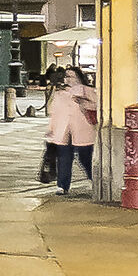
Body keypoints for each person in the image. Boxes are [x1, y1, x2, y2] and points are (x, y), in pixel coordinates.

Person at [45, 63, 98, 194]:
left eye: (71, 76)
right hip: (63, 131)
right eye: (66, 76)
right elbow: (55, 113)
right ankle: (62, 185)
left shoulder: (88, 91)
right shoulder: (60, 94)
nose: (68, 79)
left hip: (82, 130)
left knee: (85, 158)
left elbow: (97, 107)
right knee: (64, 158)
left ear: (79, 77)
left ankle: (95, 181)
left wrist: (83, 102)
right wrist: (51, 130)